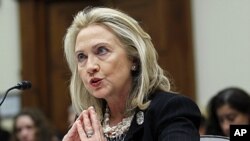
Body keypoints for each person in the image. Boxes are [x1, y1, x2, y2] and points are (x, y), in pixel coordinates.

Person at [62, 7, 201, 141]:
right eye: (81, 56)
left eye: (101, 50)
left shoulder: (170, 110)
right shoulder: (88, 122)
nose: (90, 67)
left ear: (134, 58)